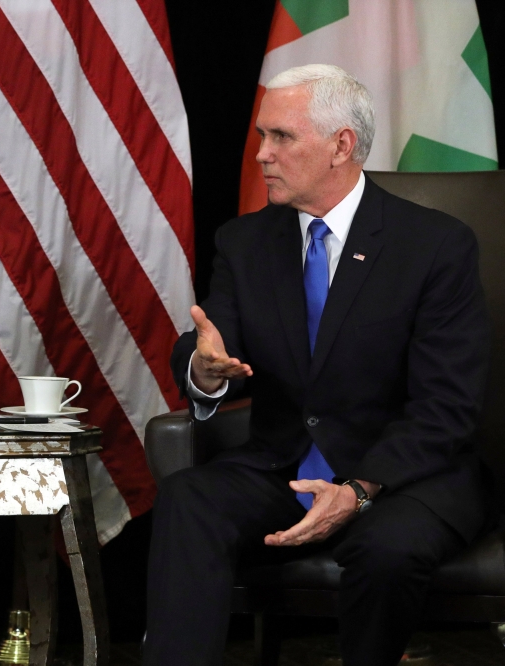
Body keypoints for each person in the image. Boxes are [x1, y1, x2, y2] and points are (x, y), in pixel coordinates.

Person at [145, 64, 495, 665]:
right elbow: (207, 343)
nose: (261, 155)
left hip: (404, 476)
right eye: (261, 136)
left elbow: (447, 406)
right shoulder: (244, 241)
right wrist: (204, 371)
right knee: (188, 500)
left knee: (389, 549)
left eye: (281, 137)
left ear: (342, 145)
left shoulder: (436, 245)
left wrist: (358, 490)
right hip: (284, 464)